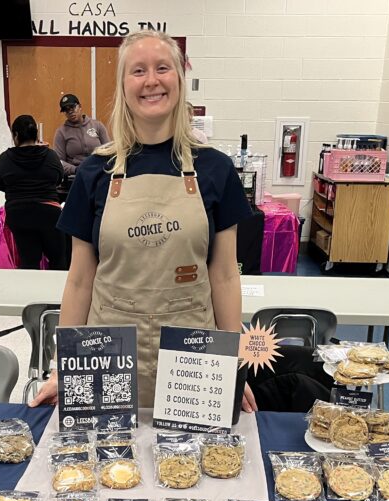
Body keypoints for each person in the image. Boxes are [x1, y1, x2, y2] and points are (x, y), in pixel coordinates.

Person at [31, 30, 256, 413]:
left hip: (193, 355)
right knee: (110, 467)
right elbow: (80, 279)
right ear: (123, 85)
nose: (151, 80)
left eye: (162, 68)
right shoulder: (94, 172)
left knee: (194, 467)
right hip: (107, 354)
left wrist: (231, 362)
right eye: (138, 70)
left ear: (179, 81)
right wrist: (63, 367)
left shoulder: (215, 169)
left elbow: (224, 277)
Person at [0, 114, 66, 270]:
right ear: (36, 134)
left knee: (28, 261)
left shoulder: (5, 159)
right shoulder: (50, 156)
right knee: (58, 259)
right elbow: (58, 179)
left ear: (16, 135)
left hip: (19, 215)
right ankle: (57, 293)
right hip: (49, 214)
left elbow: (0, 184)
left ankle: (29, 293)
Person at [52, 94, 110, 177]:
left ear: (80, 106)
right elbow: (58, 162)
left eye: (72, 107)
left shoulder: (97, 126)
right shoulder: (61, 132)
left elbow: (108, 151)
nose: (70, 112)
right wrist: (75, 170)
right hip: (75, 175)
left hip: (99, 172)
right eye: (66, 110)